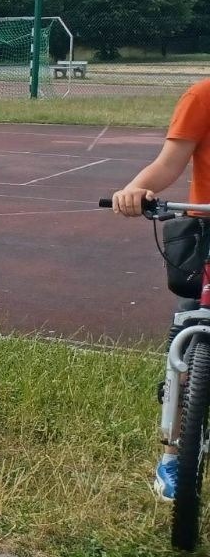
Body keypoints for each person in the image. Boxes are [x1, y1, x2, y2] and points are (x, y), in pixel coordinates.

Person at [111, 76, 210, 499]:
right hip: (208, 229)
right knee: (190, 331)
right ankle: (171, 456)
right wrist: (136, 190)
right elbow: (169, 163)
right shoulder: (203, 95)